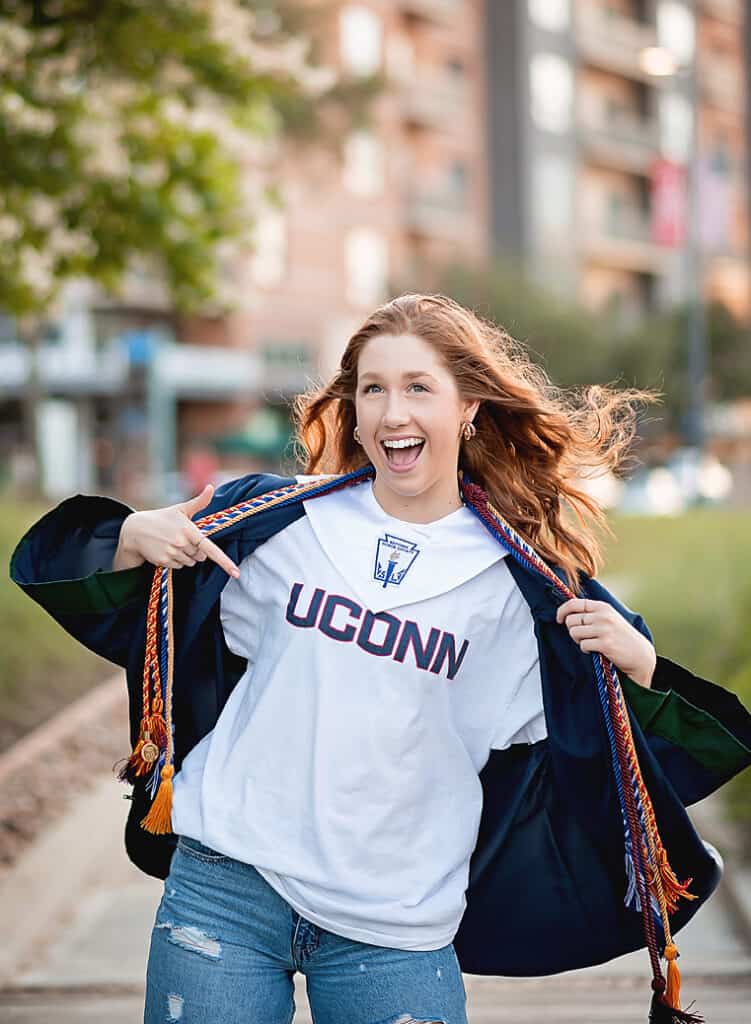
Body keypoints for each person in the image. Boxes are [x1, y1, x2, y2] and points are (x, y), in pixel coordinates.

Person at [10, 294, 751, 1024]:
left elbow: (609, 760)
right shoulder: (275, 523)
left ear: (468, 408)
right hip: (225, 887)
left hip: (396, 925)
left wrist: (641, 669)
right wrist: (128, 537)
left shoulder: (522, 590)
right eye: (373, 389)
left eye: (418, 387)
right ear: (354, 412)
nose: (393, 412)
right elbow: (147, 617)